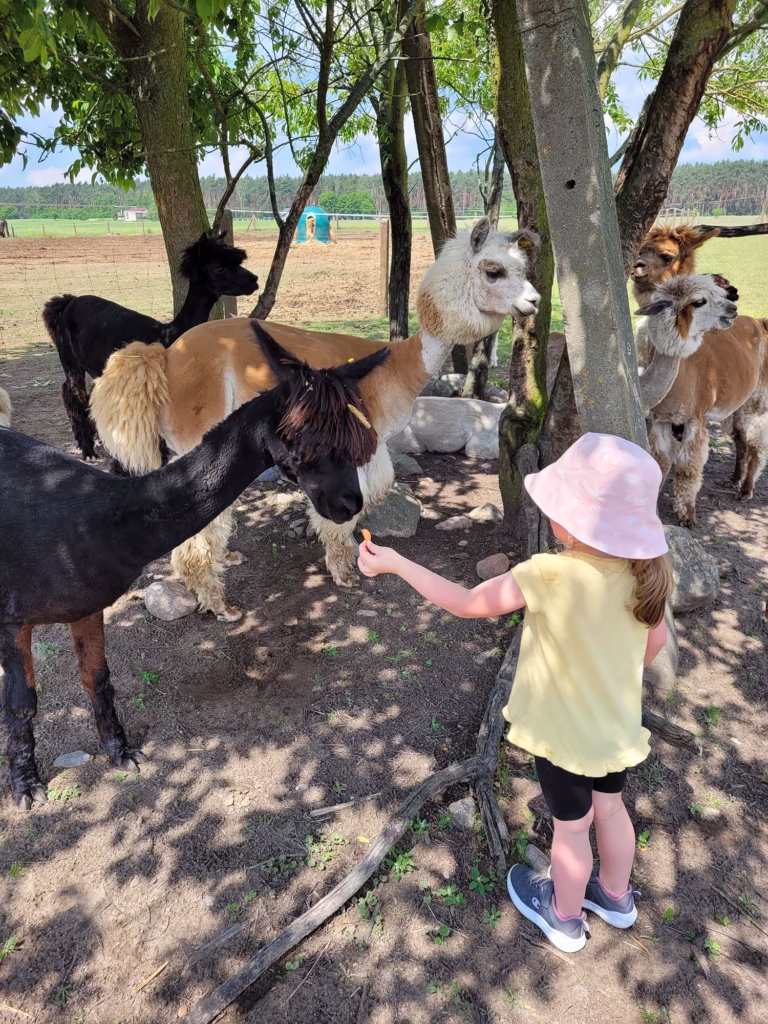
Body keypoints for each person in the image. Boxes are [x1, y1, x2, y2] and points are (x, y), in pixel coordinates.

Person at [358, 432, 671, 953]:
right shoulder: (644, 576)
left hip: (565, 736)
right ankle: (617, 897)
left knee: (572, 832)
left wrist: (396, 563)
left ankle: (565, 917)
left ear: (575, 518)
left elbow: (465, 602)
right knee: (610, 809)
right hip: (615, 728)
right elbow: (652, 645)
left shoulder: (549, 573)